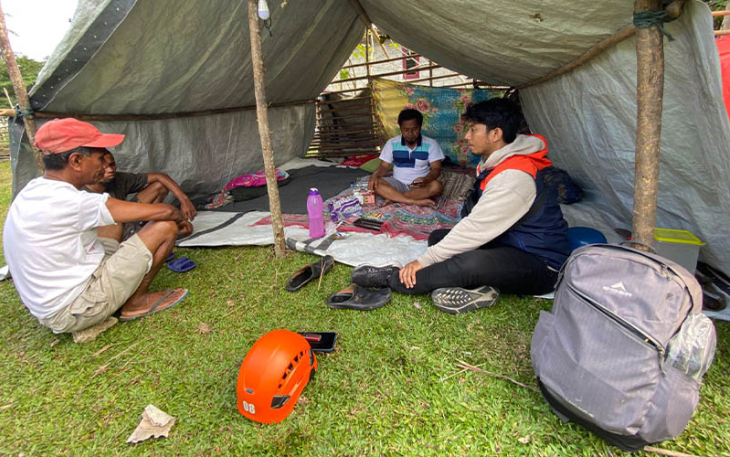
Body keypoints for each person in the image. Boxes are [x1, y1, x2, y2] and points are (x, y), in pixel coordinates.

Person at [351, 98, 570, 314]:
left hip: (541, 263)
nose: (466, 136)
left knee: (468, 263)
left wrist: (423, 261)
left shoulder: (515, 175)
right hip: (509, 242)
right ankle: (482, 289)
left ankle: (394, 277)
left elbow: (475, 229)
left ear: (495, 134)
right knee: (439, 238)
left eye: (473, 129)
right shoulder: (498, 163)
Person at [3, 118, 189, 334]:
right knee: (165, 226)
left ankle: (122, 288)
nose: (104, 165)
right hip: (76, 309)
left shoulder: (35, 189)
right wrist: (178, 218)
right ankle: (136, 303)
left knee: (114, 222)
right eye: (100, 158)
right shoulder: (74, 201)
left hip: (54, 303)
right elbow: (166, 212)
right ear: (76, 161)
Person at [84, 150, 195, 237]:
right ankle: (144, 232)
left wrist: (184, 199)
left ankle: (146, 226)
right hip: (108, 231)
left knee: (159, 186)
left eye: (112, 165)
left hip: (127, 220)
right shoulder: (79, 193)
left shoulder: (118, 179)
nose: (110, 170)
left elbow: (159, 176)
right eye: (104, 168)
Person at [367, 109, 445, 206]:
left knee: (437, 186)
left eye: (414, 129)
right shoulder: (392, 143)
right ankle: (413, 201)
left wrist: (426, 180)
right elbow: (383, 167)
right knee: (374, 184)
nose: (410, 134)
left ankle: (394, 198)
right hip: (396, 184)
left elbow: (436, 169)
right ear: (400, 128)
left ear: (420, 127)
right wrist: (375, 175)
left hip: (420, 187)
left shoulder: (431, 144)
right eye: (406, 130)